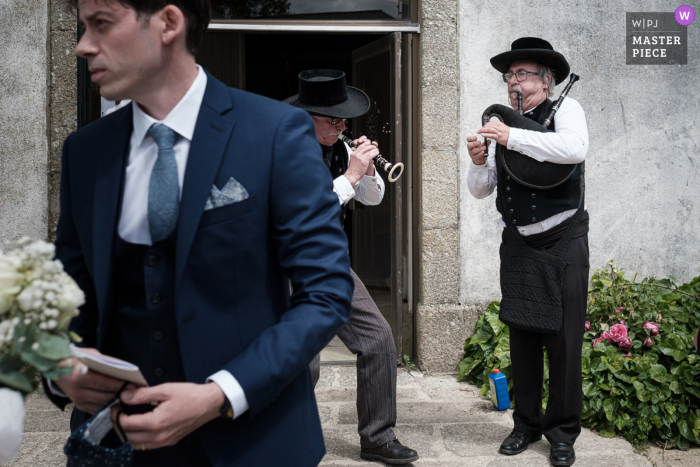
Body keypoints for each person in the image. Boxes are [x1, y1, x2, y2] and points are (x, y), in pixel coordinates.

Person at [44, 1, 353, 466]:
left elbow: (325, 292)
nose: (83, 45)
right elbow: (70, 291)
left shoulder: (272, 131)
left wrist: (219, 395)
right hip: (119, 443)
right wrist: (60, 366)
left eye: (101, 25)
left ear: (168, 23)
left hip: (252, 441)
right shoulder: (85, 152)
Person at [284, 70, 419, 465]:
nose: (342, 126)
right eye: (333, 120)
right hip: (291, 266)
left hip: (332, 262)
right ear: (307, 117)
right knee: (303, 362)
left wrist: (368, 168)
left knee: (378, 339)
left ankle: (378, 437)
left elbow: (372, 198)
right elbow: (305, 212)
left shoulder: (340, 148)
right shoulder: (286, 151)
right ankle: (289, 437)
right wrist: (349, 175)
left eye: (344, 119)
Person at [466, 37, 590, 467]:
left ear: (547, 79)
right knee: (522, 335)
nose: (514, 82)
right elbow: (482, 191)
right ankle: (525, 425)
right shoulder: (505, 124)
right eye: (509, 75)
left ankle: (562, 433)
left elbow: (574, 150)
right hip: (518, 243)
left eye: (523, 74)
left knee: (563, 340)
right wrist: (480, 160)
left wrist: (511, 135)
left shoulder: (565, 111)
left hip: (563, 239)